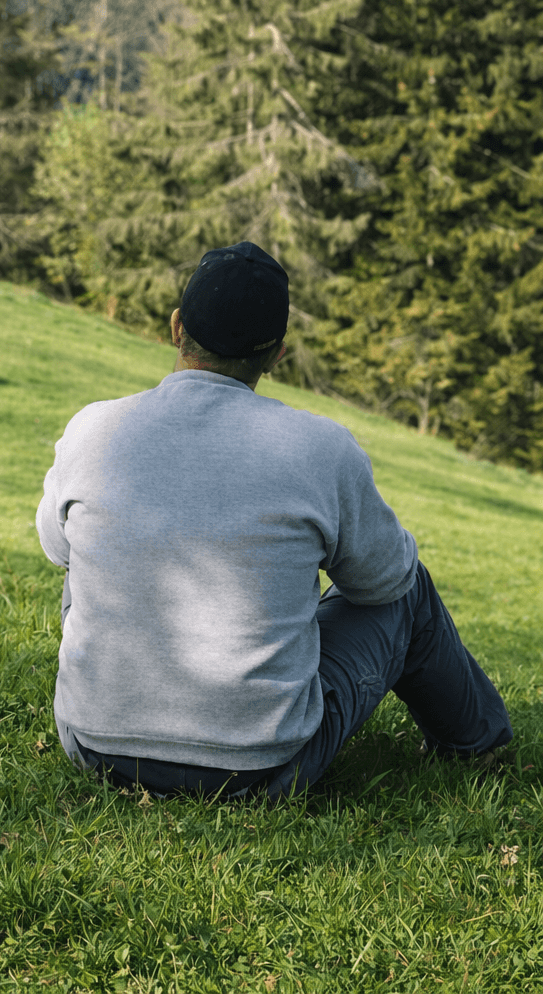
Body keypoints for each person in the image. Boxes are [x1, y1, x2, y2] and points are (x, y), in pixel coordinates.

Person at [35, 241, 512, 801]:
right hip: (263, 770)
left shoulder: (94, 428)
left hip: (94, 749)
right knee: (411, 589)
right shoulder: (321, 449)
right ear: (277, 355)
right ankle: (477, 745)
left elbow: (56, 548)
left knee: (83, 555)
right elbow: (384, 582)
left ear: (176, 327)